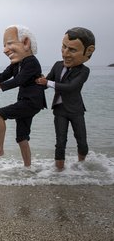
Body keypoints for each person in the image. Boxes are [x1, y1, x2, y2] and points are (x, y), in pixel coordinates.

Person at [0, 25, 46, 167]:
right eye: (5, 45)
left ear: (26, 43)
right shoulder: (16, 64)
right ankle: (28, 168)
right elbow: (3, 75)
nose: (5, 49)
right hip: (26, 101)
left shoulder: (31, 62)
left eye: (10, 43)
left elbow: (18, 81)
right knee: (22, 137)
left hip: (32, 102)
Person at [36, 27, 95, 171]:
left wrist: (47, 83)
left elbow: (71, 87)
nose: (65, 53)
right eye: (63, 47)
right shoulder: (57, 65)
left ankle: (82, 166)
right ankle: (59, 171)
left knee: (81, 141)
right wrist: (35, 80)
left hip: (76, 110)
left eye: (72, 50)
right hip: (60, 109)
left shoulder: (84, 71)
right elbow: (45, 82)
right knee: (60, 142)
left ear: (88, 51)